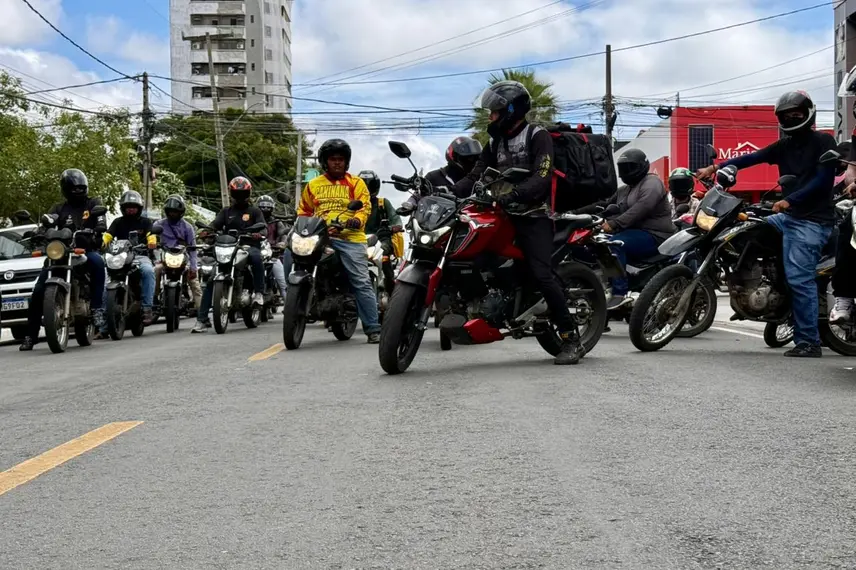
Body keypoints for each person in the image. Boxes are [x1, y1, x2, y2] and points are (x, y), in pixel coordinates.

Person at [452, 80, 584, 365]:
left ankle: (571, 337)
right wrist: (447, 192)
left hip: (533, 215)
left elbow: (542, 175)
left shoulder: (537, 135)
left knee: (542, 274)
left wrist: (516, 195)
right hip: (500, 213)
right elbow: (477, 174)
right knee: (473, 257)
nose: (491, 117)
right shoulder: (495, 141)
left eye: (495, 111)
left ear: (512, 109)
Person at [697, 90, 836, 357]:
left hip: (812, 221)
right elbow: (751, 158)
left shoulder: (823, 142)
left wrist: (789, 200)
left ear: (808, 113)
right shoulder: (784, 145)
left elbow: (822, 181)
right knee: (744, 233)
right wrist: (715, 169)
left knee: (799, 278)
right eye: (785, 115)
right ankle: (755, 286)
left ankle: (809, 342)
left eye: (795, 113)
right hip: (788, 217)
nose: (791, 118)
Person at [299, 139, 381, 343]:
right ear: (324, 162)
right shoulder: (313, 185)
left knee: (361, 281)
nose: (337, 163)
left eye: (341, 159)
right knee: (293, 259)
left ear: (347, 162)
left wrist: (355, 221)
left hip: (349, 238)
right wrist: (302, 228)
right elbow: (304, 211)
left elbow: (364, 208)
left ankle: (373, 328)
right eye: (333, 159)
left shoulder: (356, 183)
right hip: (319, 237)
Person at [19, 169, 108, 351]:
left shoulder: (93, 204)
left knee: (98, 263)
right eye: (73, 188)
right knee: (38, 292)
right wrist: (38, 232)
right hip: (61, 253)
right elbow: (48, 221)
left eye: (80, 188)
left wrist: (98, 227)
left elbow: (101, 220)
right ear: (66, 189)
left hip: (83, 250)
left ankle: (97, 308)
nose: (77, 191)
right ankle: (31, 335)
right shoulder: (58, 208)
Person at [585, 149, 675, 309]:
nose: (626, 172)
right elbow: (603, 204)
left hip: (655, 235)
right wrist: (574, 213)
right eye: (623, 168)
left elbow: (643, 207)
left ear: (642, 166)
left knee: (614, 244)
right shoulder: (625, 190)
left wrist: (614, 224)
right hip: (632, 232)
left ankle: (620, 292)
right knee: (592, 244)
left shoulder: (652, 183)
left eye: (630, 167)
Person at [191, 176, 266, 333]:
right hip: (228, 247)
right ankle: (202, 319)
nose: (240, 197)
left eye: (243, 194)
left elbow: (263, 227)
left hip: (247, 246)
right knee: (212, 279)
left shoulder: (255, 211)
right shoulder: (226, 212)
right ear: (232, 194)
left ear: (248, 194)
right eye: (237, 194)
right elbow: (214, 225)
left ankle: (259, 292)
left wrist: (258, 234)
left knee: (257, 257)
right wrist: (206, 231)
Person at [102, 190, 157, 325]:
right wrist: (102, 242)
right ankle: (103, 321)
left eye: (133, 207)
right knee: (105, 280)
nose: (131, 210)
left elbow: (151, 235)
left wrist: (151, 242)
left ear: (138, 208)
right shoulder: (117, 222)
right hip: (120, 257)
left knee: (149, 271)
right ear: (123, 208)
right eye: (128, 207)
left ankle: (147, 308)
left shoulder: (146, 222)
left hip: (140, 256)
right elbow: (108, 235)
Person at [399, 136, 484, 216]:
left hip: (468, 222)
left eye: (476, 159)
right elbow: (418, 195)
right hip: (435, 223)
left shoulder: (478, 178)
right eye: (467, 159)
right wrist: (409, 205)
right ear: (454, 157)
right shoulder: (434, 176)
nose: (472, 163)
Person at [153, 195, 202, 315]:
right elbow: (152, 240)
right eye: (170, 211)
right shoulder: (158, 224)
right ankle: (152, 301)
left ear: (181, 212)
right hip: (164, 259)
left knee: (194, 282)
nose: (173, 214)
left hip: (182, 260)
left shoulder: (188, 227)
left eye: (175, 211)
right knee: (155, 271)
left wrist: (193, 267)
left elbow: (193, 249)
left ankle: (202, 312)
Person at [359, 169, 403, 295]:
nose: (367, 189)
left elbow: (396, 220)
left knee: (384, 257)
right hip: (358, 241)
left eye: (369, 186)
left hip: (381, 241)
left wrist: (395, 227)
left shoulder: (382, 204)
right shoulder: (354, 205)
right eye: (363, 186)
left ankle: (391, 289)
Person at [257, 194, 289, 300]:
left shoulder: (276, 221)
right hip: (255, 252)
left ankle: (289, 308)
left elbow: (283, 234)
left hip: (272, 255)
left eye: (268, 207)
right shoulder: (253, 220)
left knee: (283, 282)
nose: (265, 209)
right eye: (262, 206)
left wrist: (283, 243)